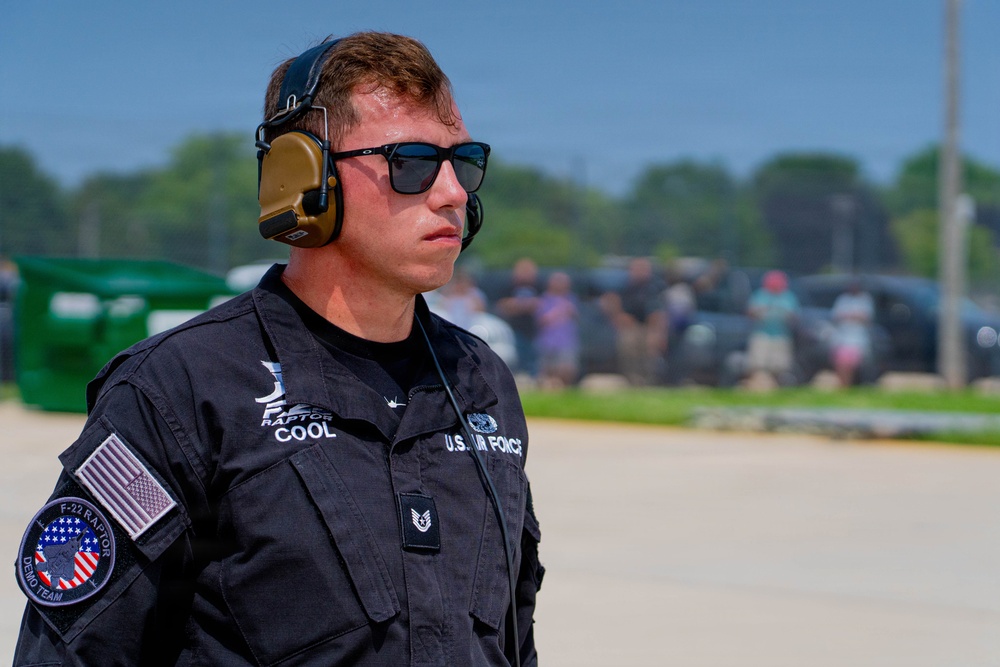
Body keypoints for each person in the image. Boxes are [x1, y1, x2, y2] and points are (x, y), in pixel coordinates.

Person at [13, 33, 543, 667]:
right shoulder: (177, 392)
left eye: (465, 161)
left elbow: (514, 634)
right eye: (413, 162)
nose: (454, 192)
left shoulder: (480, 380)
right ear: (303, 174)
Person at [605, 257, 667, 385]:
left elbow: (658, 314)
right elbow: (610, 300)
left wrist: (657, 333)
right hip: (631, 326)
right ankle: (632, 381)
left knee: (651, 351)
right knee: (628, 344)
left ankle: (649, 382)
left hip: (650, 326)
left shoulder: (655, 287)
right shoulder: (624, 287)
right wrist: (619, 316)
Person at [745, 269, 799, 386]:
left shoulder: (788, 297)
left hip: (781, 335)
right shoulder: (760, 295)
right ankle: (757, 385)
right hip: (762, 333)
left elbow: (795, 317)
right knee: (758, 363)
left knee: (779, 365)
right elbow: (750, 313)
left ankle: (775, 387)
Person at [495, 258, 540, 378]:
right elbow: (502, 306)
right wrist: (525, 305)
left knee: (532, 361)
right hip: (512, 330)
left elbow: (540, 305)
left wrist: (518, 305)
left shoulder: (538, 287)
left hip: (534, 332)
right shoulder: (507, 286)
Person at [534, 271, 580, 389]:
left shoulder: (571, 299)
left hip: (566, 340)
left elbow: (577, 317)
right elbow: (542, 320)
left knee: (567, 369)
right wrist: (557, 312)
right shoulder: (544, 299)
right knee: (547, 370)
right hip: (548, 341)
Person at [830, 278, 875, 386]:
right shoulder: (842, 299)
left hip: (858, 339)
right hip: (843, 338)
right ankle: (843, 385)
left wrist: (850, 316)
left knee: (854, 364)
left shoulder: (865, 299)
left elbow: (866, 318)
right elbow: (836, 316)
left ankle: (851, 384)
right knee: (841, 363)